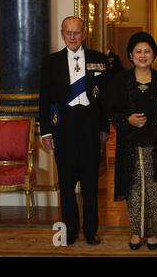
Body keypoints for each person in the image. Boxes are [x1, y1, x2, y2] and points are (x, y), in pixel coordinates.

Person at [104, 31, 157, 251]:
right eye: (138, 51)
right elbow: (109, 110)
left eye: (147, 51)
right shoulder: (120, 81)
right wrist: (126, 120)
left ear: (153, 54)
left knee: (156, 190)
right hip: (130, 145)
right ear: (130, 55)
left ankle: (152, 232)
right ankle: (135, 231)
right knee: (133, 189)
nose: (142, 55)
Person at [39, 16, 109, 246]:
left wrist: (104, 128)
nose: (72, 37)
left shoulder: (99, 59)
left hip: (89, 125)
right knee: (67, 184)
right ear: (62, 34)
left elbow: (104, 99)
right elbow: (45, 100)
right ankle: (69, 231)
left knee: (90, 183)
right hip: (63, 127)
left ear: (83, 34)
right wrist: (46, 132)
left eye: (76, 32)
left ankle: (91, 230)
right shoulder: (51, 62)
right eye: (68, 32)